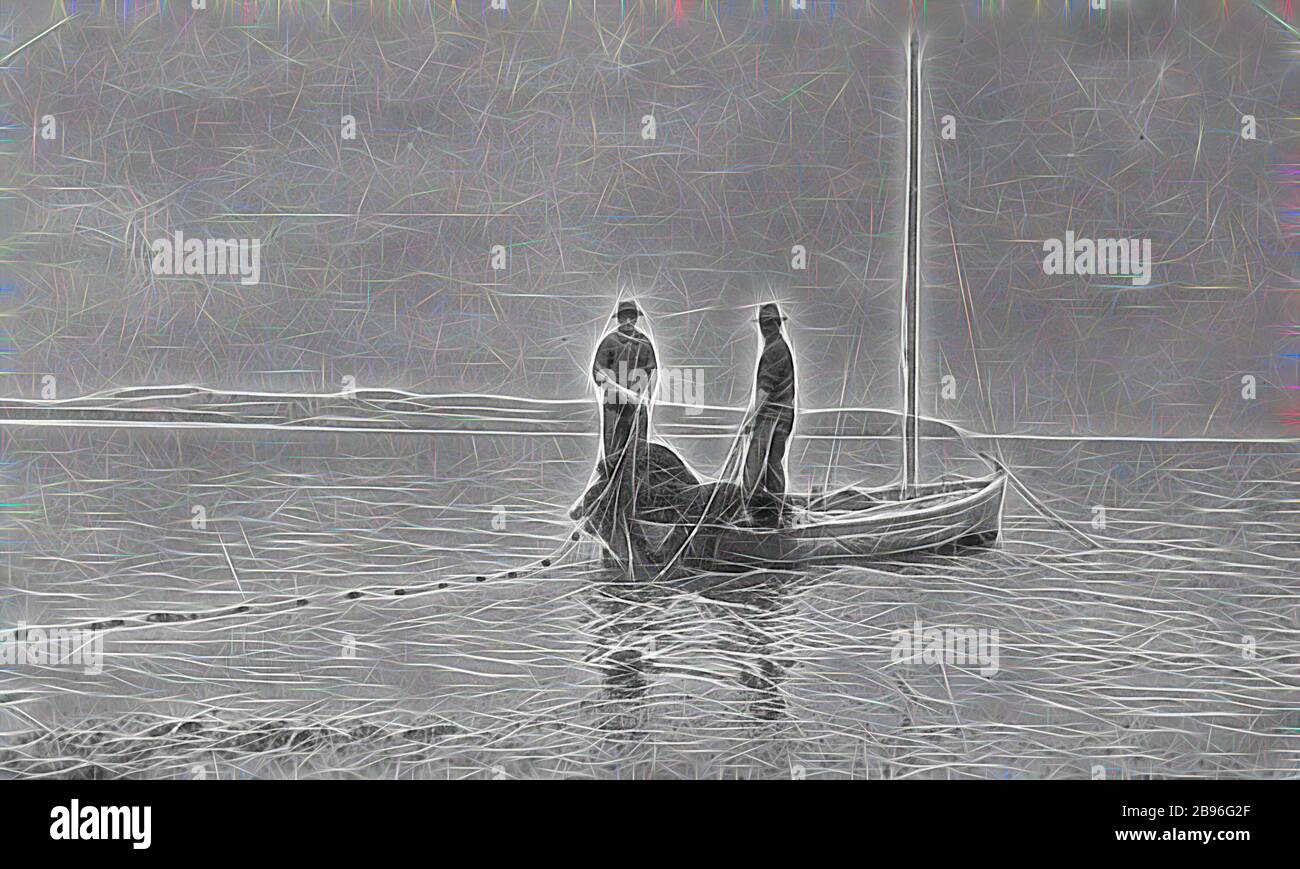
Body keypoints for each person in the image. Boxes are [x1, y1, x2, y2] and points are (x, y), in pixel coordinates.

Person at [741, 303, 796, 526]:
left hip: (771, 416)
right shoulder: (780, 346)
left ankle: (750, 514)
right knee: (773, 464)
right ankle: (777, 513)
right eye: (765, 324)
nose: (767, 328)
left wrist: (751, 418)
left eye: (769, 324)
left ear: (774, 325)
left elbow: (765, 389)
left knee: (756, 465)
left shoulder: (774, 350)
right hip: (784, 416)